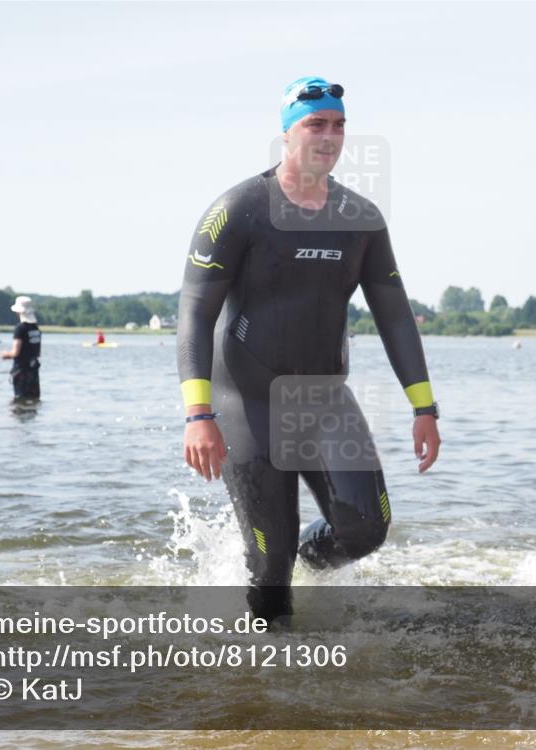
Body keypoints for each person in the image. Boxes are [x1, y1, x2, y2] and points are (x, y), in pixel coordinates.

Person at [177, 77, 441, 621]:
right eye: (315, 123)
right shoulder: (240, 208)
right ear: (286, 133)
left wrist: (424, 408)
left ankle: (302, 568)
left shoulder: (361, 218)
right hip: (247, 401)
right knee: (269, 563)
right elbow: (195, 314)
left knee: (366, 529)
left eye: (338, 125)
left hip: (325, 399)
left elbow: (394, 315)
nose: (329, 135)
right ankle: (270, 657)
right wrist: (198, 415)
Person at [1, 295, 41, 399]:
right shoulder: (36, 328)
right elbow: (38, 352)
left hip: (22, 372)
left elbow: (15, 352)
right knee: (34, 400)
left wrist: (5, 354)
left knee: (20, 401)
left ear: (19, 312)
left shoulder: (20, 328)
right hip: (33, 371)